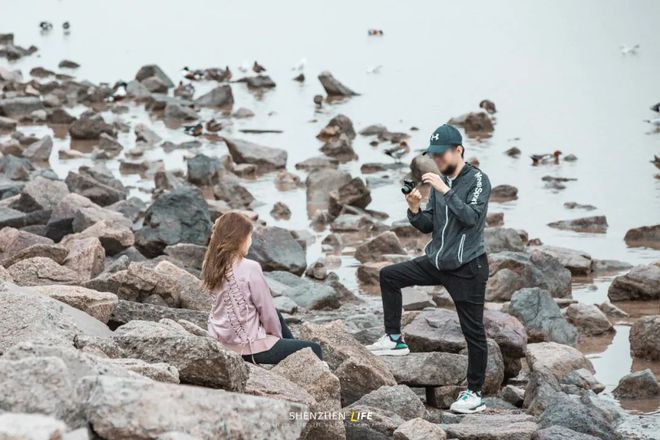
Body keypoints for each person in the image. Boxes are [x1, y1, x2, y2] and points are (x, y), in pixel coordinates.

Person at [366, 124, 491, 414]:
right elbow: (428, 226)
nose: (436, 160)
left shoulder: (478, 181)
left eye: (441, 155)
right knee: (389, 276)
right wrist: (414, 209)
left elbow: (471, 218)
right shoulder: (438, 182)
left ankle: (474, 393)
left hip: (468, 267)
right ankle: (395, 339)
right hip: (437, 261)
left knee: (474, 332)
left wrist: (444, 190)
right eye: (433, 155)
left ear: (458, 150)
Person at [204, 212, 323, 364]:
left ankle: (292, 356)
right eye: (249, 236)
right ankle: (295, 364)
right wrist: (276, 340)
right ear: (240, 238)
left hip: (222, 342)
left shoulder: (211, 265)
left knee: (277, 314)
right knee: (314, 350)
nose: (250, 241)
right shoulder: (250, 267)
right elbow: (266, 313)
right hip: (249, 348)